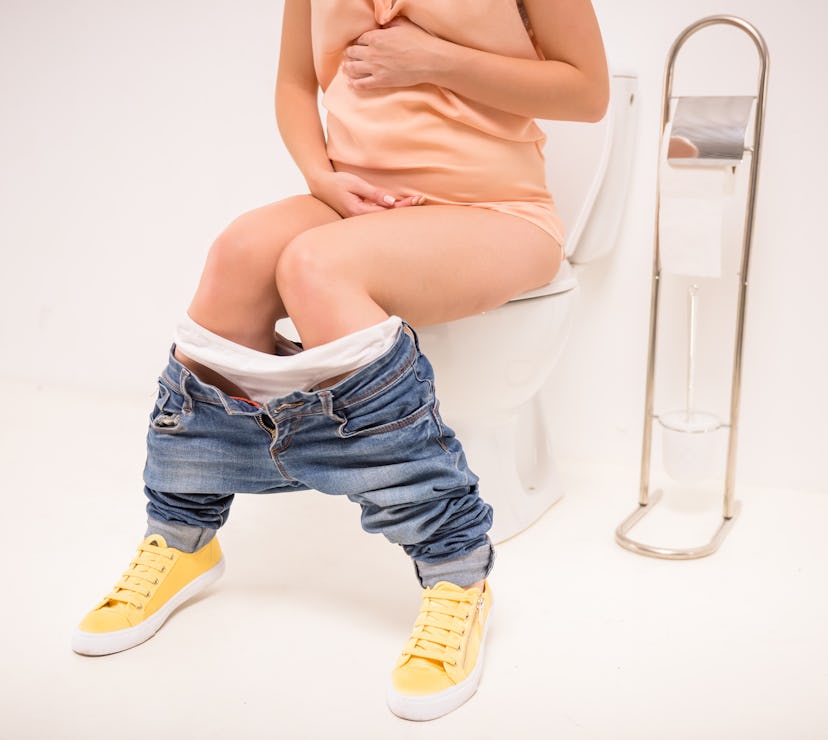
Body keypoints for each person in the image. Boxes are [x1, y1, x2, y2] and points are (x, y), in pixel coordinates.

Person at [72, 0, 608, 722]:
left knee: (316, 268)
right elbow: (296, 83)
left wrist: (436, 60)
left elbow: (587, 90)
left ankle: (456, 574)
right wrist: (323, 179)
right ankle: (182, 534)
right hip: (357, 200)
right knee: (239, 252)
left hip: (496, 208)